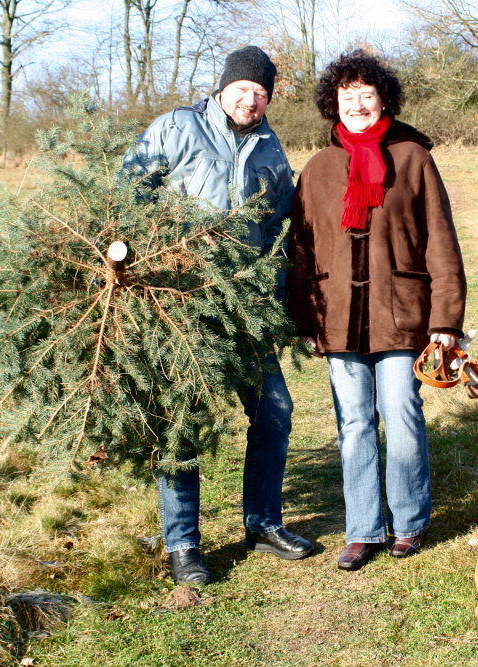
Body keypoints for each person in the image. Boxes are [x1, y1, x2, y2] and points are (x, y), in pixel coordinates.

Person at [123, 45, 314, 585]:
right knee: (182, 422)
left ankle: (263, 524)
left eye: (261, 92)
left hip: (245, 309)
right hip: (183, 303)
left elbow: (281, 227)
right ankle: (182, 545)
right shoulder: (176, 129)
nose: (250, 98)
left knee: (274, 411)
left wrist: (274, 288)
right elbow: (128, 196)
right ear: (223, 86)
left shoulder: (271, 149)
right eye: (243, 88)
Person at [285, 51, 467, 571]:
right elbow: (302, 248)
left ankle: (409, 522)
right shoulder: (318, 168)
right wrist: (303, 317)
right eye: (347, 96)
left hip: (402, 313)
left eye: (367, 94)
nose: (358, 104)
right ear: (332, 105)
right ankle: (363, 529)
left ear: (383, 99)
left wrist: (446, 320)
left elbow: (441, 242)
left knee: (402, 415)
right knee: (354, 425)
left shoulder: (413, 158)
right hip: (338, 316)